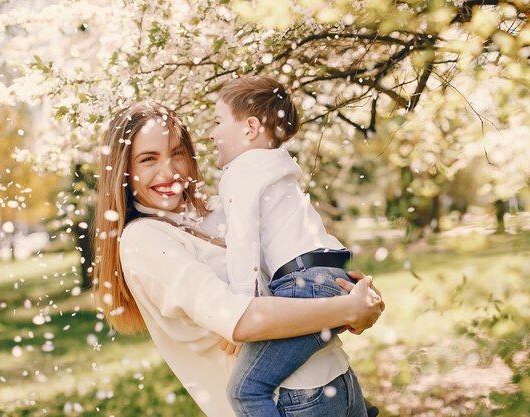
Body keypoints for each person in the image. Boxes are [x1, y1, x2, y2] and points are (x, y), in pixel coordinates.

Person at [93, 101, 385, 417]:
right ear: (124, 170)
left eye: (177, 153)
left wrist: (358, 294)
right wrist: (346, 309)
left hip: (339, 380)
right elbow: (243, 320)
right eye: (148, 159)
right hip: (285, 402)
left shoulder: (221, 208)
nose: (170, 171)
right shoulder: (144, 240)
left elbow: (304, 269)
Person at [210, 76, 374, 417]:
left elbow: (243, 245)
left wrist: (240, 317)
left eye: (218, 122)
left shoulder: (239, 172)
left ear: (250, 127)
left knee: (246, 390)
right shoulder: (276, 170)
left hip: (303, 285)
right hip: (328, 275)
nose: (212, 134)